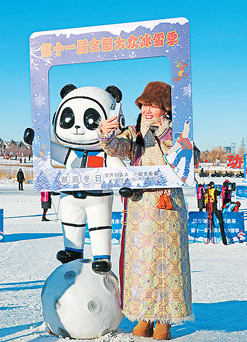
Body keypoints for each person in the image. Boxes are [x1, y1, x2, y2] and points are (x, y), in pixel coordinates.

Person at [98, 81, 194, 340]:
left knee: (168, 264)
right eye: (144, 105)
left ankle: (165, 319)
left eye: (153, 105)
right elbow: (118, 148)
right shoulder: (135, 133)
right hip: (141, 208)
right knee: (142, 263)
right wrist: (106, 135)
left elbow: (189, 159)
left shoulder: (179, 134)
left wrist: (165, 137)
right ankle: (144, 315)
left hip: (168, 207)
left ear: (166, 109)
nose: (147, 110)